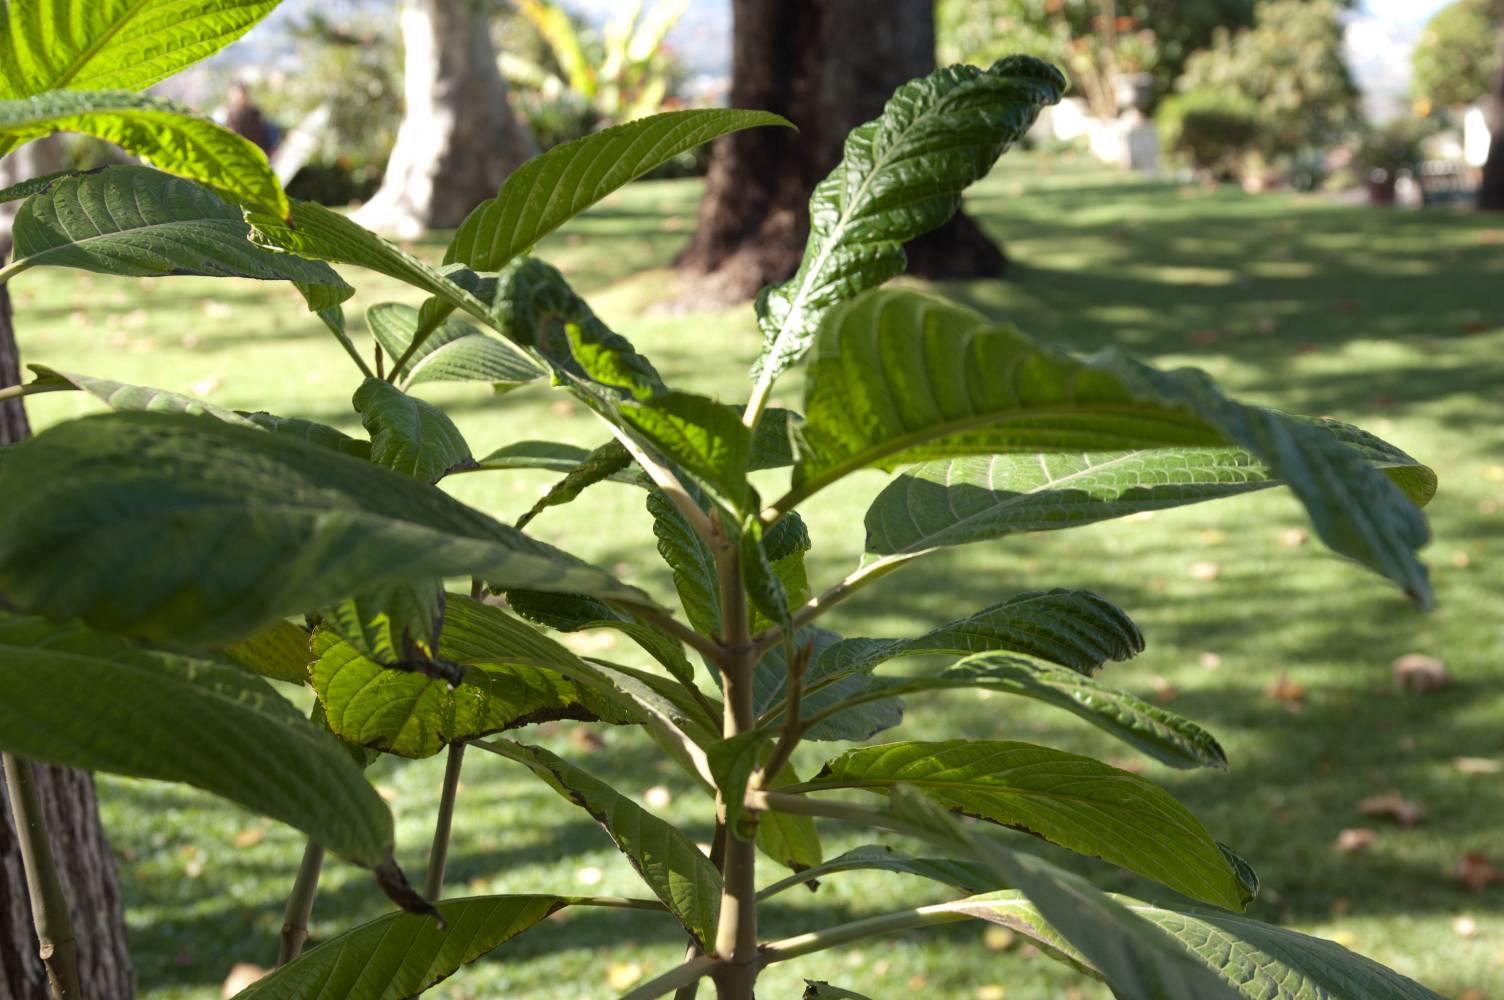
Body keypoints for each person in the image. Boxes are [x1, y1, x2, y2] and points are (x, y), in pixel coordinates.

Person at [223, 82, 277, 152]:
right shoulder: (227, 116)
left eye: (242, 94)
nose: (239, 97)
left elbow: (267, 132)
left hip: (259, 151)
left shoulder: (255, 113)